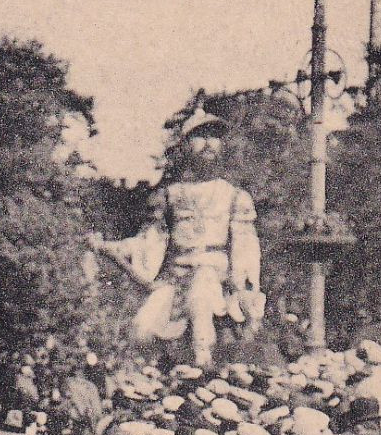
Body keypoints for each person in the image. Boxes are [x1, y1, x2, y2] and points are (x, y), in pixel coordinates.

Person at [92, 103, 264, 368]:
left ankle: (203, 365)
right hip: (175, 277)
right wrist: (112, 247)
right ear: (185, 145)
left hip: (215, 278)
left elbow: (245, 245)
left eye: (214, 136)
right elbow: (150, 239)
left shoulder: (234, 197)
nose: (208, 143)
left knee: (201, 300)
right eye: (200, 136)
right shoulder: (169, 196)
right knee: (142, 327)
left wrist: (245, 284)